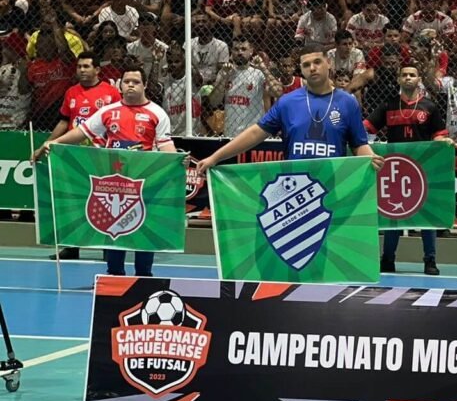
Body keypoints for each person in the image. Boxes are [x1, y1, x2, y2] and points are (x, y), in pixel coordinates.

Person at [32, 67, 176, 277]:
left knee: (142, 229)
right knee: (114, 230)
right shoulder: (108, 111)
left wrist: (177, 161)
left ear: (145, 85)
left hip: (142, 184)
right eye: (127, 81)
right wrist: (52, 142)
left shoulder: (157, 113)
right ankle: (115, 274)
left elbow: (165, 145)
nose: (131, 85)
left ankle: (144, 277)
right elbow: (81, 132)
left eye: (136, 81)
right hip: (114, 184)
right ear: (120, 85)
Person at [196, 48, 383, 170]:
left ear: (329, 64)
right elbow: (255, 133)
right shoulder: (287, 102)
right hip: (294, 185)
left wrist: (371, 158)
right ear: (301, 70)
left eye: (317, 62)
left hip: (332, 184)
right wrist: (215, 157)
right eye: (306, 65)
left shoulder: (347, 102)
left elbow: (358, 144)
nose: (312, 68)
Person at [365, 61, 450, 275]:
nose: (408, 78)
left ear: (419, 79)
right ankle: (388, 260)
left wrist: (444, 143)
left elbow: (439, 135)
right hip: (396, 172)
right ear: (399, 79)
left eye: (412, 74)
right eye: (404, 75)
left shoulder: (429, 107)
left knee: (426, 217)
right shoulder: (389, 105)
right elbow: (368, 128)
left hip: (423, 170)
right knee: (393, 214)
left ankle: (430, 261)